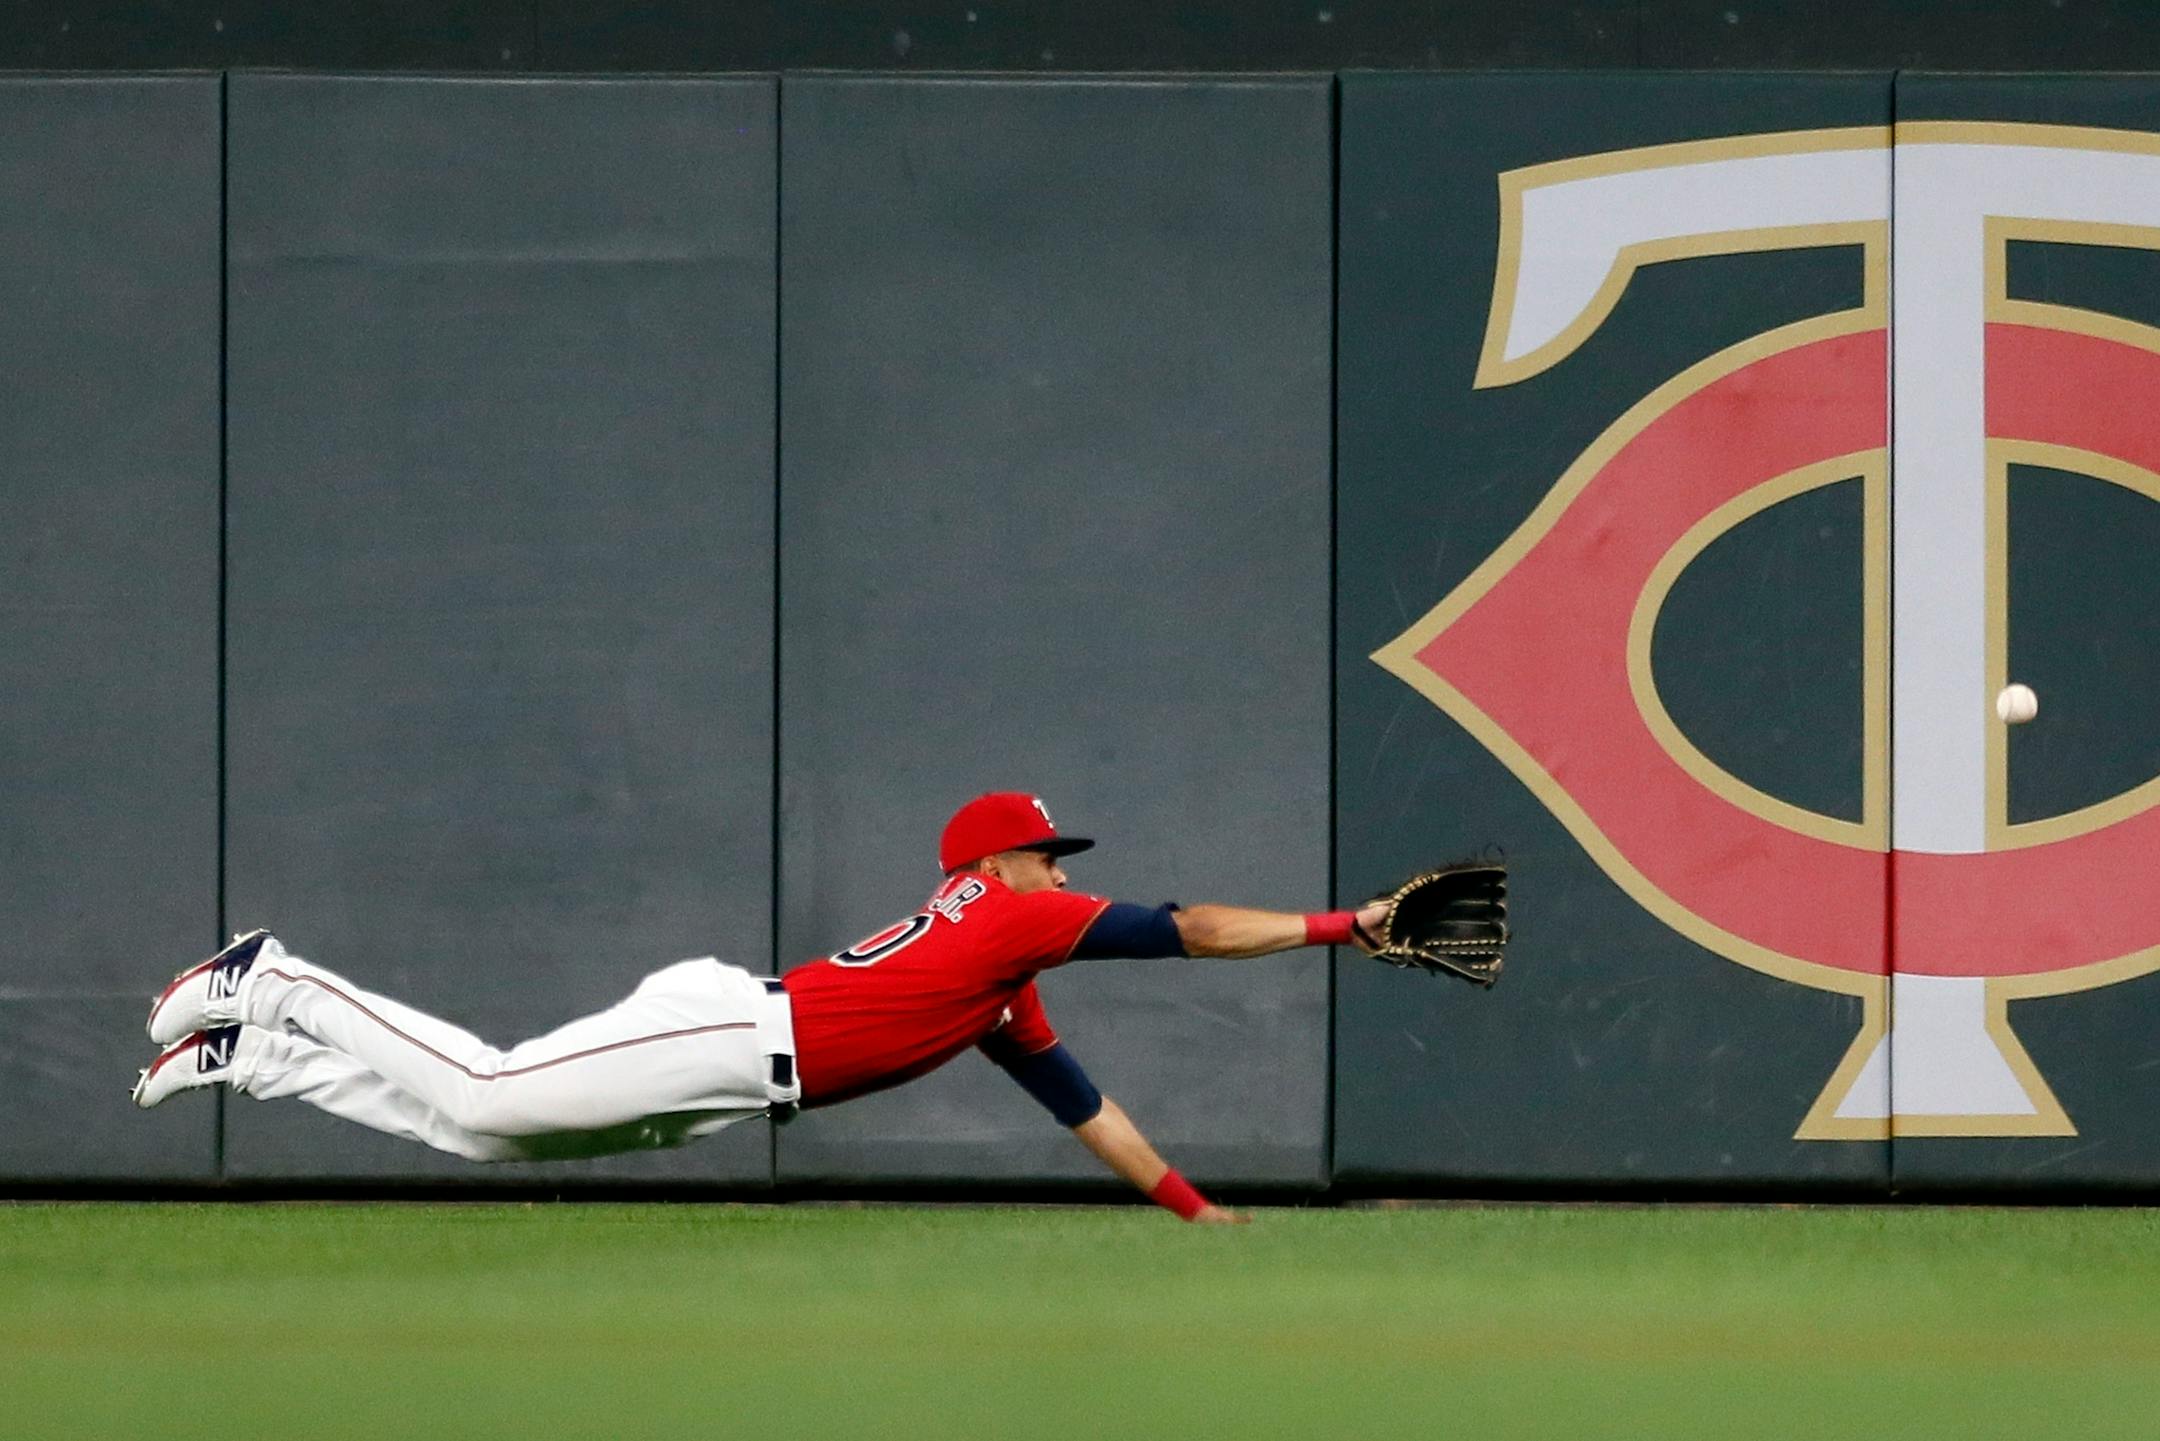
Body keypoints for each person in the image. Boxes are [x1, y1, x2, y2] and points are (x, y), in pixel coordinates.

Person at [134, 792, 1386, 1223]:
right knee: (487, 1088)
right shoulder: (1008, 916)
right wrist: (1346, 926)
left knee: (480, 1135)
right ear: (987, 867)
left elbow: (1089, 1112)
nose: (1061, 867)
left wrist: (1195, 1209)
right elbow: (1196, 930)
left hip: (742, 1074)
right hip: (737, 1029)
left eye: (1059, 855)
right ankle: (280, 973)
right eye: (1044, 851)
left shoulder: (1000, 983)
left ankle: (253, 1056)